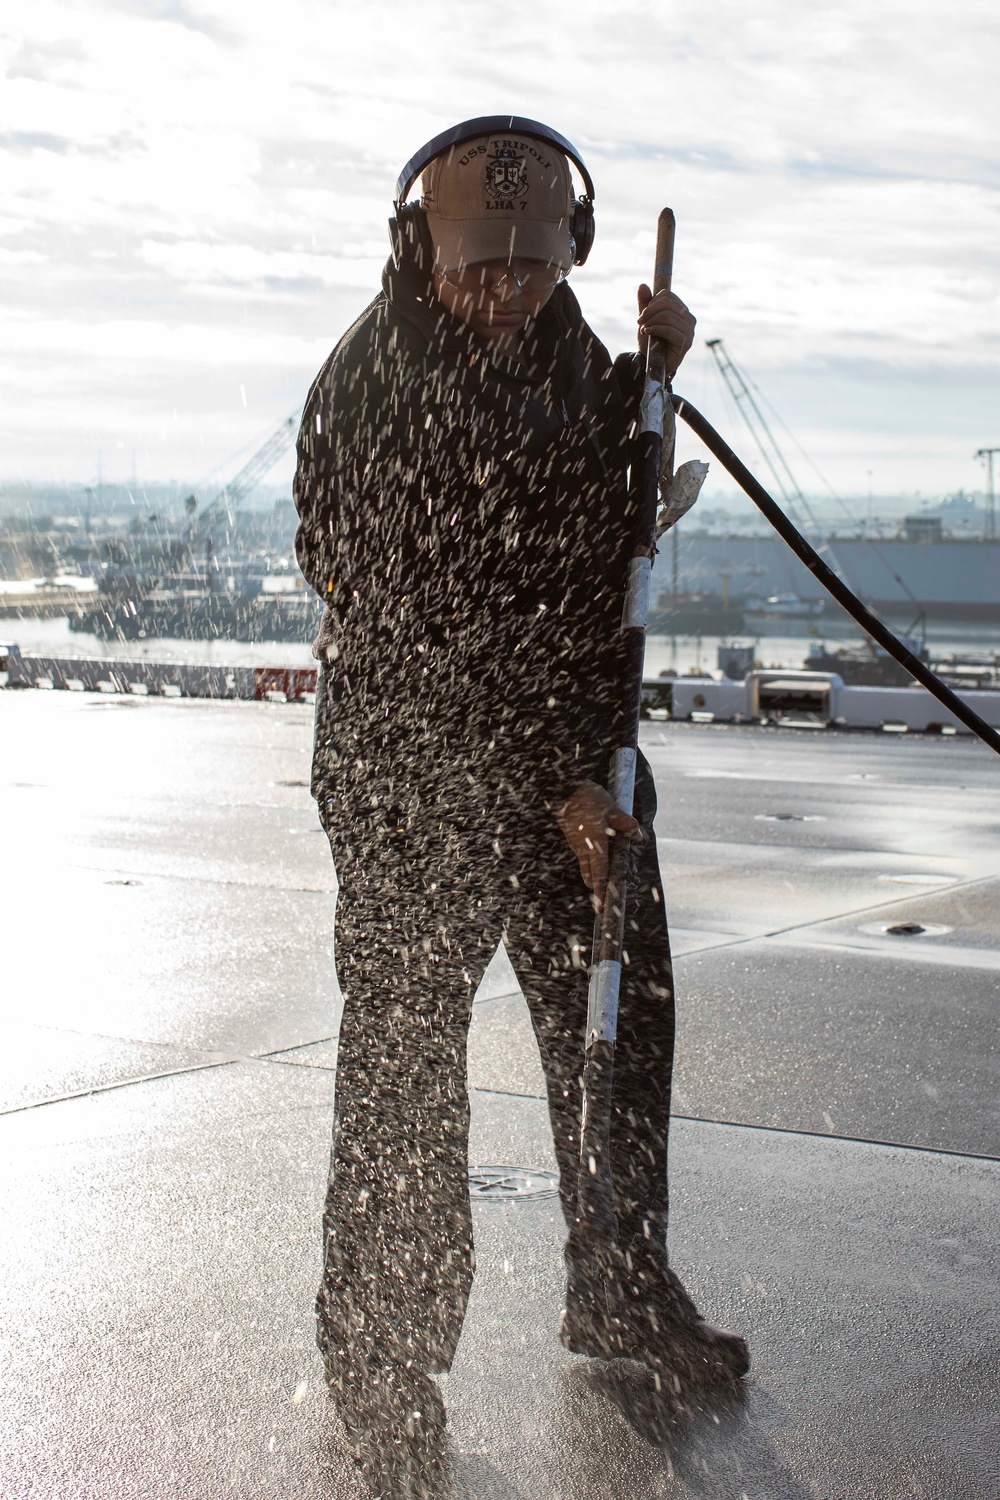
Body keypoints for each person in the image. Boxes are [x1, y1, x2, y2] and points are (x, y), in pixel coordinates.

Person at [294, 116, 748, 1490]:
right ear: (417, 251)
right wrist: (547, 776)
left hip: (567, 765)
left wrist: (655, 377)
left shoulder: (571, 362)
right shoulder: (370, 386)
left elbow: (596, 516)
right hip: (408, 776)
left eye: (536, 267)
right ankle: (383, 1357)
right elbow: (408, 618)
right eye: (480, 267)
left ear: (574, 253)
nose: (507, 290)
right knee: (407, 1063)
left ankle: (618, 1281)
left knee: (621, 1009)